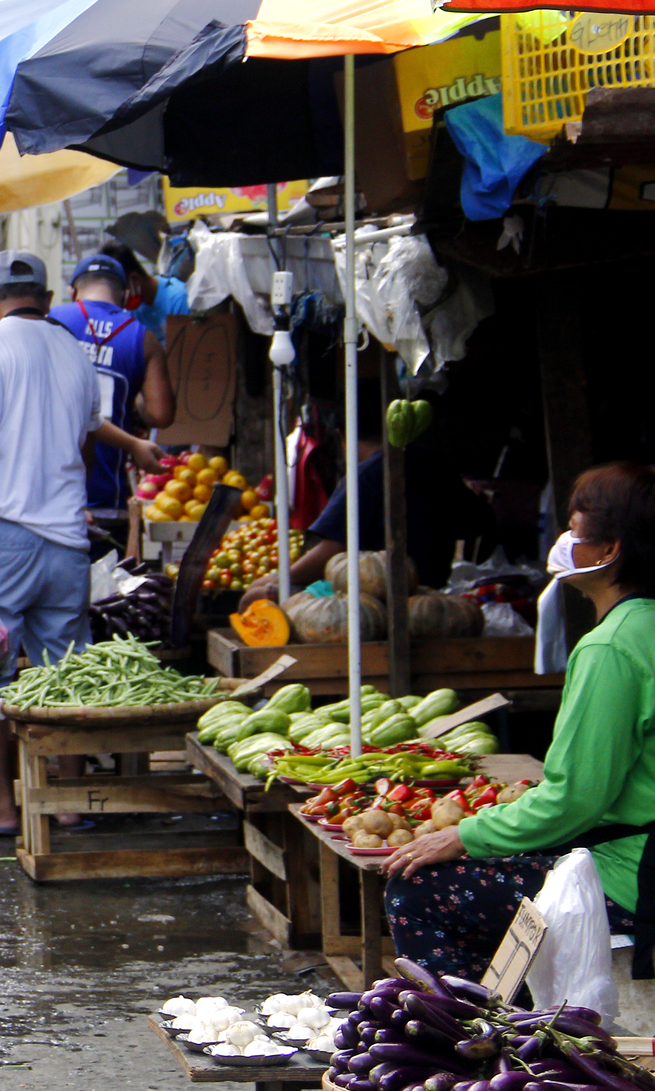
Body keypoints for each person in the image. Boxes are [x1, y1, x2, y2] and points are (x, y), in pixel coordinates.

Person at [383, 463, 655, 982]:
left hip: (634, 878)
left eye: (575, 530)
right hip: (637, 853)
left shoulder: (612, 647)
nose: (563, 541)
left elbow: (575, 799)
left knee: (419, 888)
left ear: (608, 550)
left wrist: (465, 834)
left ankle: (460, 1039)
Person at [0, 252, 159, 836]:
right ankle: (69, 799)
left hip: (3, 534)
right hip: (66, 538)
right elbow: (84, 442)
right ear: (48, 297)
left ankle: (1, 806)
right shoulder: (73, 351)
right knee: (66, 669)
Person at [237, 386, 492, 605]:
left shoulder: (365, 476)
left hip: (376, 601)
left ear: (342, 435)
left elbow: (332, 550)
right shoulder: (436, 465)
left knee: (255, 596)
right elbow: (478, 522)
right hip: (431, 593)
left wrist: (281, 578)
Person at [52, 253, 174, 522]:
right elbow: (161, 414)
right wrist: (132, 389)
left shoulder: (50, 320)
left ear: (73, 291)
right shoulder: (142, 337)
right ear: (124, 294)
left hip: (47, 495)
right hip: (107, 496)